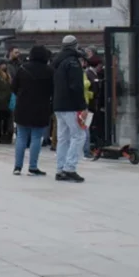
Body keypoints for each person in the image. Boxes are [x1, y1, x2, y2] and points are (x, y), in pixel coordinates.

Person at [12, 44, 54, 176]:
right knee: (36, 137)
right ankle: (33, 167)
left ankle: (17, 167)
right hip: (41, 107)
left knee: (21, 137)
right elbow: (53, 90)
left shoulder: (23, 68)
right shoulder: (49, 70)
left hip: (23, 106)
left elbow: (13, 87)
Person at [53, 36, 89, 183]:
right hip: (71, 105)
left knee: (63, 138)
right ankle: (70, 168)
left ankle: (60, 169)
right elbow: (76, 86)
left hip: (58, 105)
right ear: (75, 46)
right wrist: (83, 106)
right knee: (79, 135)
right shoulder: (73, 62)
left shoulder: (57, 62)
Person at [0, 60, 14, 145]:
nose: (5, 66)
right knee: (0, 119)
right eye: (3, 64)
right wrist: (0, 97)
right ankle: (1, 136)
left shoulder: (8, 74)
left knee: (6, 119)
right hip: (0, 101)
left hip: (8, 100)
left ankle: (6, 135)